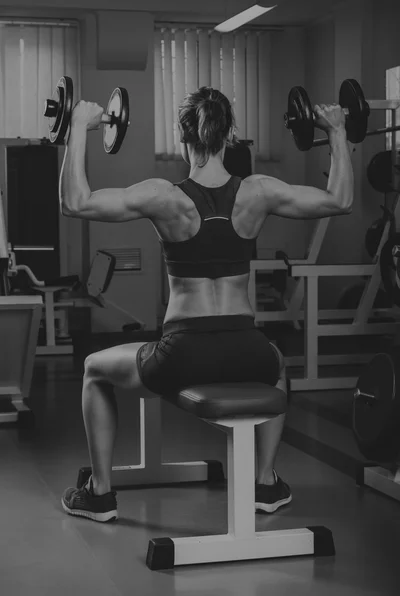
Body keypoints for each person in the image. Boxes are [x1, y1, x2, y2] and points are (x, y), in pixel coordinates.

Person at [61, 86, 353, 523]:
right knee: (278, 366)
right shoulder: (258, 192)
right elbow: (340, 200)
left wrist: (79, 128)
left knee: (93, 370)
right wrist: (337, 132)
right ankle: (267, 482)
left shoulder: (165, 196)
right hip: (246, 349)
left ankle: (99, 494)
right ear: (229, 135)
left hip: (183, 354)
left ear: (184, 138)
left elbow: (75, 203)